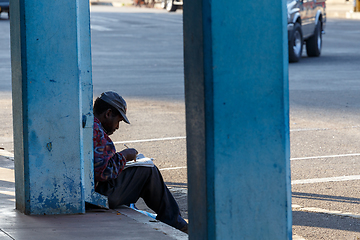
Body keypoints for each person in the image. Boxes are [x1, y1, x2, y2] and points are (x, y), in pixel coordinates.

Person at [92, 91, 188, 233]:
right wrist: (124, 156)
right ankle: (175, 222)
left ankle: (175, 220)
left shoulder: (91, 125)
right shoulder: (95, 130)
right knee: (148, 170)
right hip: (99, 195)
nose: (117, 127)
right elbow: (103, 172)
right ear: (108, 113)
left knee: (144, 170)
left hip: (95, 189)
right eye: (118, 121)